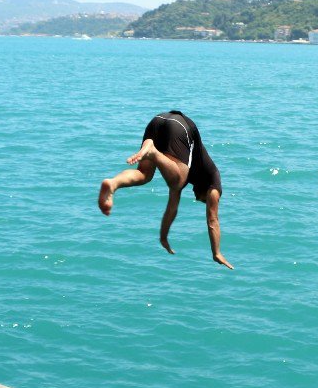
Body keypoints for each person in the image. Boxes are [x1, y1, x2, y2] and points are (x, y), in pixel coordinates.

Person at [98, 111, 233, 270]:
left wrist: (163, 237)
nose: (199, 200)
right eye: (204, 200)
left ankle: (113, 184)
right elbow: (212, 220)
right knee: (176, 182)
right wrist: (216, 252)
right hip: (181, 127)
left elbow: (171, 209)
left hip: (157, 121)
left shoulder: (182, 172)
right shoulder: (213, 181)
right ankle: (153, 152)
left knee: (144, 175)